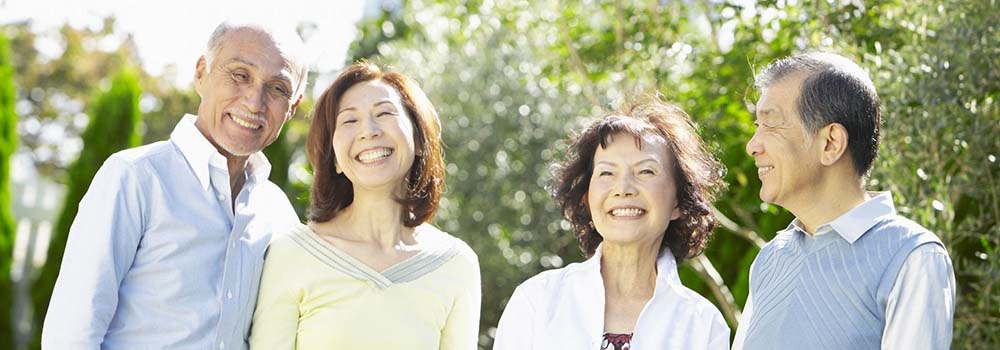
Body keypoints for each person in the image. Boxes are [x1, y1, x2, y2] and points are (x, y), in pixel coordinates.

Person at [41, 21, 308, 349]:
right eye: (240, 75)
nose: (254, 102)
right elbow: (71, 334)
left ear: (292, 107)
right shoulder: (135, 178)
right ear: (201, 74)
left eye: (278, 88)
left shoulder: (278, 213)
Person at [249, 62, 481, 349]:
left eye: (384, 113)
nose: (368, 131)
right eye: (349, 121)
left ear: (419, 139)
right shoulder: (291, 252)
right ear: (333, 156)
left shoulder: (456, 263)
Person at [732, 52, 956, 349]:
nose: (752, 146)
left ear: (830, 143)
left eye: (770, 124)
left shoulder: (911, 256)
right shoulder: (770, 259)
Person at [493, 96, 730, 350]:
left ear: (679, 201)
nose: (623, 188)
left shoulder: (703, 325)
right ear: (586, 197)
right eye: (607, 173)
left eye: (646, 171)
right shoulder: (536, 301)